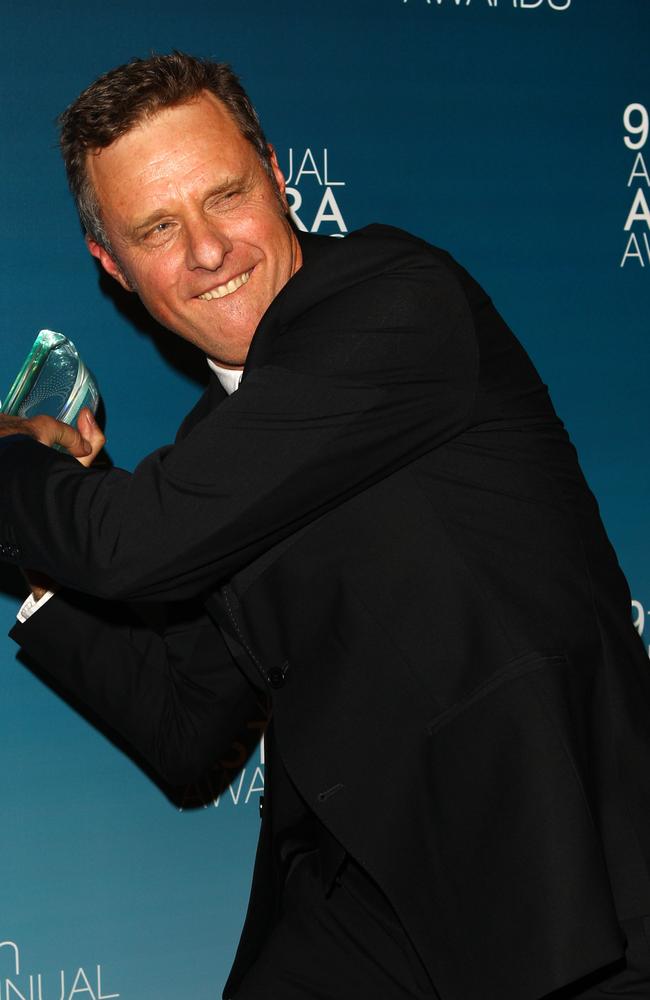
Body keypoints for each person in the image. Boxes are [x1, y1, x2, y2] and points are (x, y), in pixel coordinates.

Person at [0, 51, 649, 1000]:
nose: (208, 251)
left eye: (224, 195)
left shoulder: (395, 301)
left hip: (556, 905)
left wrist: (18, 463)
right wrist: (48, 559)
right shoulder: (214, 448)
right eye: (158, 227)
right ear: (113, 266)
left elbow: (138, 540)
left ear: (274, 170)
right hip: (357, 922)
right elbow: (187, 727)